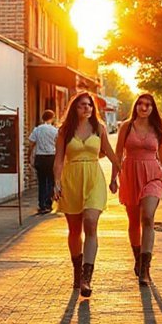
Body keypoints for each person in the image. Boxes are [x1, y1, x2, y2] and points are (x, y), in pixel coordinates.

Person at [53, 92, 120, 298]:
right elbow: (58, 159)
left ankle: (86, 278)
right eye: (82, 105)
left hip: (94, 179)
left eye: (90, 105)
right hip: (71, 179)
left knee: (90, 222)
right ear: (75, 108)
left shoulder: (99, 129)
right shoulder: (65, 131)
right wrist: (56, 182)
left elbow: (111, 155)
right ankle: (76, 270)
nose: (87, 108)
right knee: (74, 230)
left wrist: (114, 177)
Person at [114, 94, 162, 286]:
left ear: (152, 108)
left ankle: (146, 270)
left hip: (153, 176)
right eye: (140, 103)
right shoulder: (126, 126)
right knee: (133, 221)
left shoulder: (157, 129)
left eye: (148, 104)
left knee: (147, 217)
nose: (144, 107)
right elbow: (117, 153)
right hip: (130, 174)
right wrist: (113, 177)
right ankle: (138, 259)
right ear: (136, 106)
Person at [29, 110, 59, 215]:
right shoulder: (55, 130)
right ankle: (48, 203)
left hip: (40, 157)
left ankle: (41, 204)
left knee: (41, 182)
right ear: (53, 117)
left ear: (43, 118)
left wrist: (31, 156)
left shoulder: (37, 130)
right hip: (51, 157)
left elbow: (31, 143)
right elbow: (58, 144)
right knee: (51, 180)